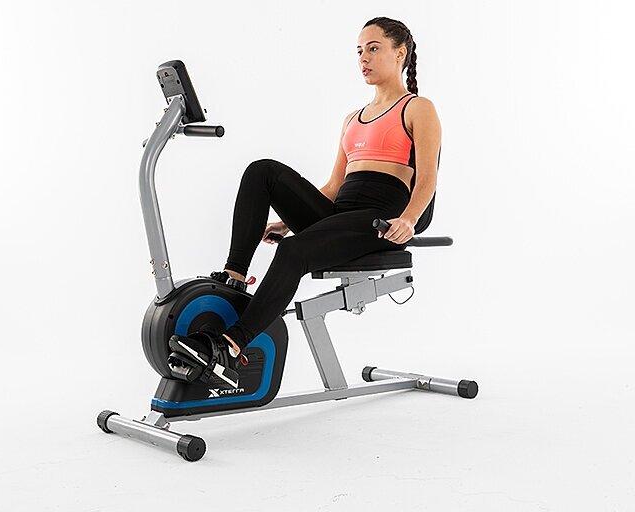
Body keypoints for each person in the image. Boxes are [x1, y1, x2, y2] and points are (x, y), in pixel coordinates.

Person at [168, 16, 442, 390]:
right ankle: (234, 276)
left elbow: (427, 178)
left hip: (380, 220)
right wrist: (285, 222)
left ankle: (230, 346)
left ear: (400, 53)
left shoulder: (418, 108)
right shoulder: (353, 119)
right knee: (263, 171)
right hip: (340, 215)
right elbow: (334, 186)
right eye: (359, 51)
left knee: (293, 252)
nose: (363, 58)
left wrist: (408, 219)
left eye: (373, 48)